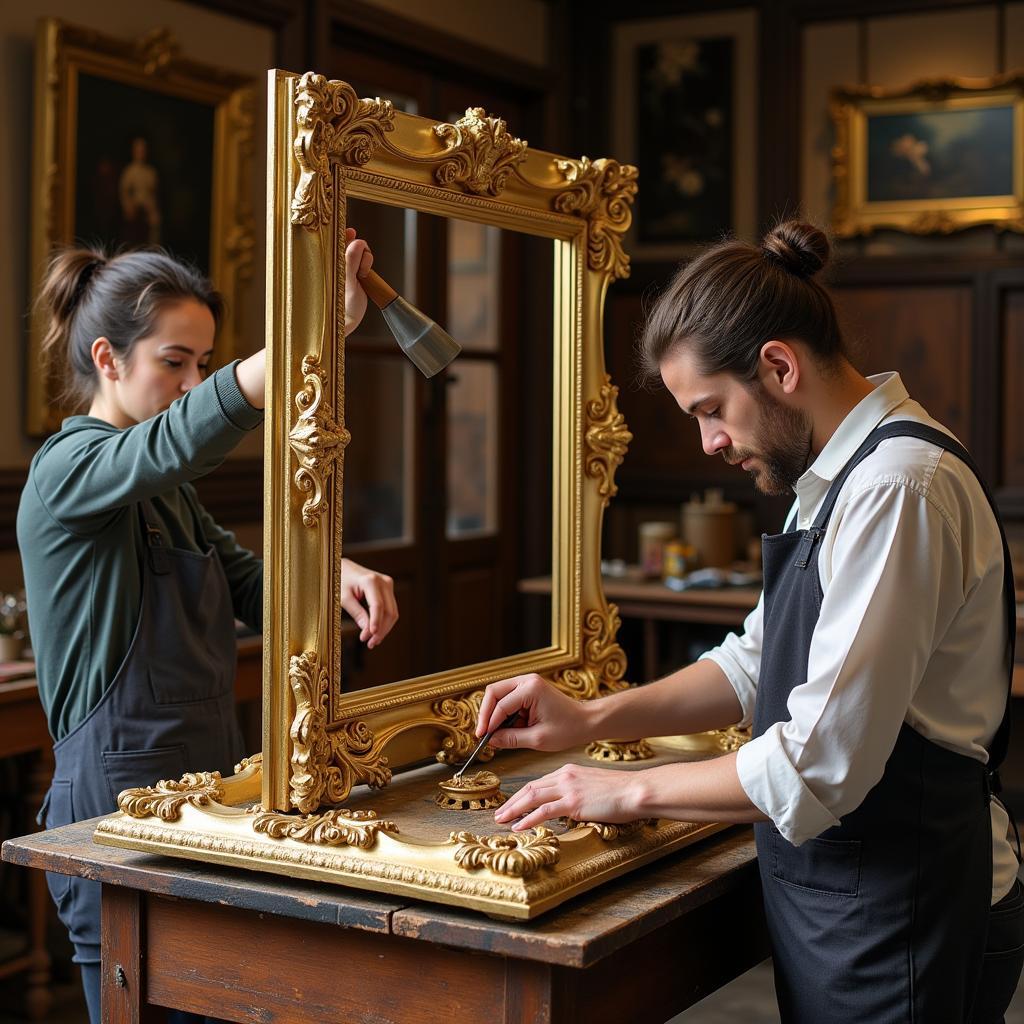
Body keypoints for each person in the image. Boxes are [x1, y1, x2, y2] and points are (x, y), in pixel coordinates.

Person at [476, 221, 1024, 1023]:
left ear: (778, 366)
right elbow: (751, 663)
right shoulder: (839, 477)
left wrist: (624, 792)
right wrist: (591, 716)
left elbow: (818, 764)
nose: (709, 442)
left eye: (711, 410)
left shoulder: (895, 490)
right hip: (861, 901)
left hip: (914, 909)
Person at [18, 230, 398, 1024]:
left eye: (203, 363)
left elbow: (251, 584)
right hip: (112, 814)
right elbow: (174, 442)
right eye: (175, 361)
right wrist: (312, 328)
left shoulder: (171, 494)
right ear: (108, 358)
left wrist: (334, 576)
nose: (193, 382)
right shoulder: (68, 470)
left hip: (211, 799)